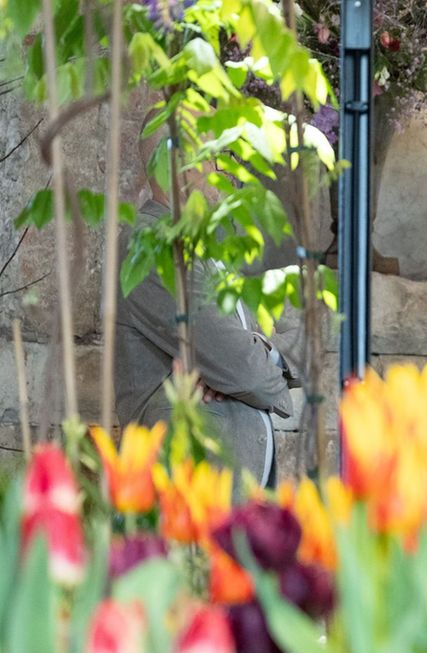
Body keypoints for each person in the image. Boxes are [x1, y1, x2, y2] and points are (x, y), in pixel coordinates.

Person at [114, 149, 300, 489]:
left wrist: (248, 354)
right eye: (211, 156)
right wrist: (236, 367)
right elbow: (245, 371)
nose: (221, 167)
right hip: (187, 494)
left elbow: (259, 344)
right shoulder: (152, 245)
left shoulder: (204, 245)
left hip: (223, 492)